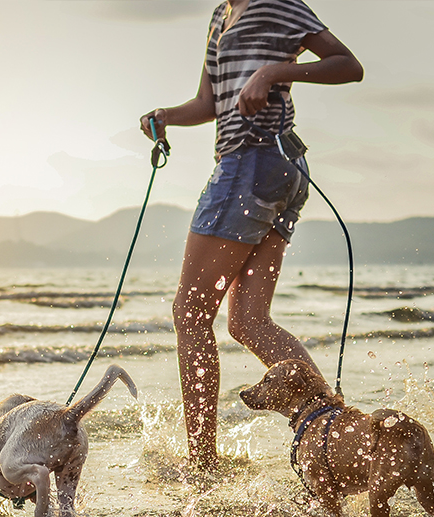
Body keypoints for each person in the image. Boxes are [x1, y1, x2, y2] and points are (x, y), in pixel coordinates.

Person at [140, 0, 363, 471]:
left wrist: (274, 72)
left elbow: (348, 65)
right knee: (248, 322)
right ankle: (332, 431)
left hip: (253, 161)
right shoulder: (221, 15)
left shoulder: (277, 4)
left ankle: (202, 461)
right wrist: (165, 116)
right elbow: (208, 103)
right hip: (272, 169)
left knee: (191, 310)